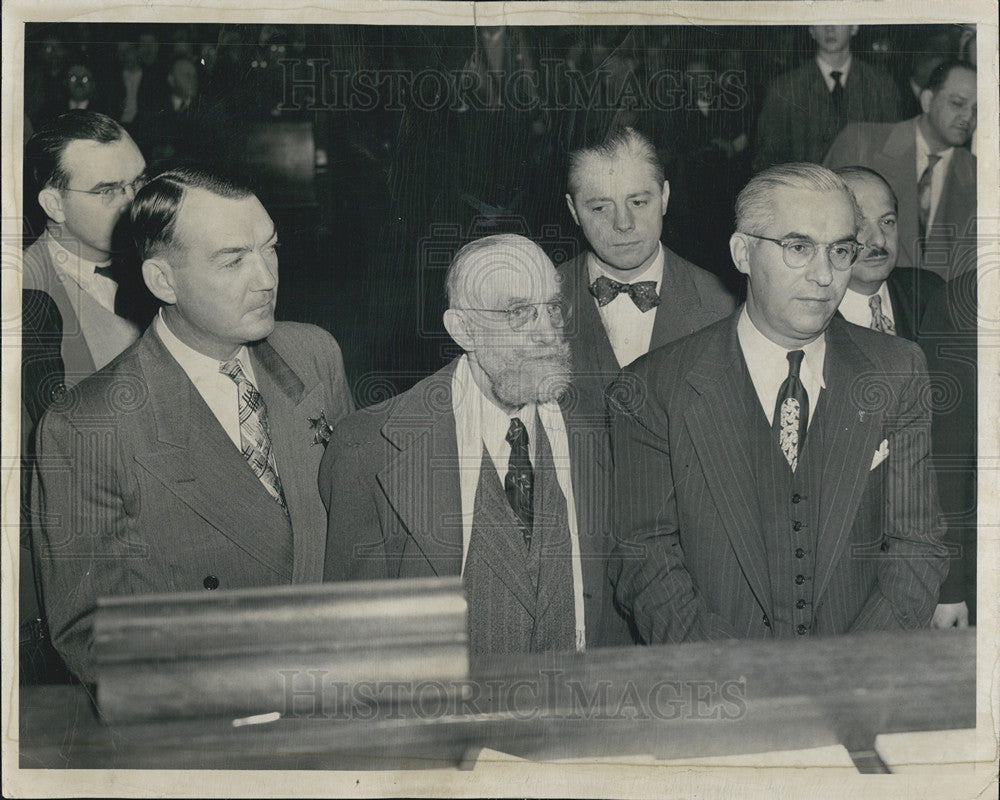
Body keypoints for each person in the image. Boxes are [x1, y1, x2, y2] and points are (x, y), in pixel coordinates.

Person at [30, 168, 355, 684]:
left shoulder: (312, 355)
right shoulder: (88, 426)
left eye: (270, 248)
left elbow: (356, 532)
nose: (266, 278)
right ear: (163, 280)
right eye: (233, 260)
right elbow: (92, 634)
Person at [607, 163, 947, 643]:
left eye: (840, 250)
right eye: (798, 248)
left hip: (855, 686)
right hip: (721, 692)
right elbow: (646, 561)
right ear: (742, 253)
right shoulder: (653, 388)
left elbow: (917, 548)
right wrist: (742, 685)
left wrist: (845, 678)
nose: (826, 274)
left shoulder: (897, 369)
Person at [321, 234, 635, 656]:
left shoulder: (603, 425)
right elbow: (356, 642)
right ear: (463, 329)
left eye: (553, 308)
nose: (548, 332)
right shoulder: (370, 448)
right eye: (519, 312)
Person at [561, 127, 734, 398]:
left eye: (639, 202)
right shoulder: (540, 302)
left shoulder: (722, 306)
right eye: (599, 208)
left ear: (664, 197)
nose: (623, 224)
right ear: (574, 210)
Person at [22, 111, 146, 390]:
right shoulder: (21, 294)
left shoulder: (159, 256)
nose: (135, 203)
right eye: (108, 191)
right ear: (54, 205)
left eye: (139, 182)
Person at [824, 60, 976, 279]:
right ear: (927, 100)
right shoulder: (860, 144)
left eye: (977, 109)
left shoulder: (980, 175)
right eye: (958, 103)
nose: (968, 117)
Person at [753, 25, 902, 172]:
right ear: (811, 30)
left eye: (837, 20)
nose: (829, 28)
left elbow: (894, 154)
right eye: (821, 20)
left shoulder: (881, 85)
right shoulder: (784, 89)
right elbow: (767, 161)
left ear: (854, 27)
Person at [834, 167, 944, 342]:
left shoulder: (930, 293)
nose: (879, 240)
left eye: (887, 221)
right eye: (859, 225)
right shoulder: (808, 317)